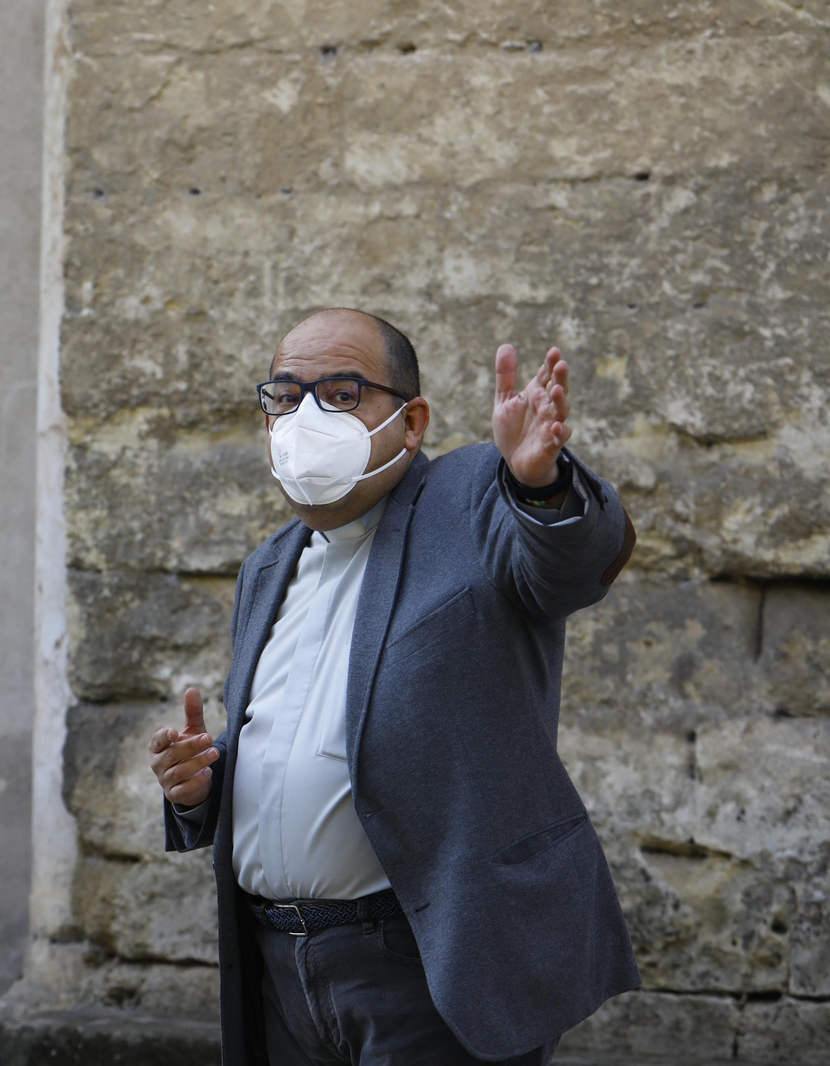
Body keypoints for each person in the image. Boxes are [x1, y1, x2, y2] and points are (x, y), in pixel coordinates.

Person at [149, 308, 640, 1065]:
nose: (308, 417)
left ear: (411, 421)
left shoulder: (475, 495)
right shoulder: (268, 566)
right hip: (279, 965)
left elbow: (575, 563)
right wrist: (201, 788)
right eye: (285, 396)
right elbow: (308, 734)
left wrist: (539, 484)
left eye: (343, 393)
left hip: (424, 963)